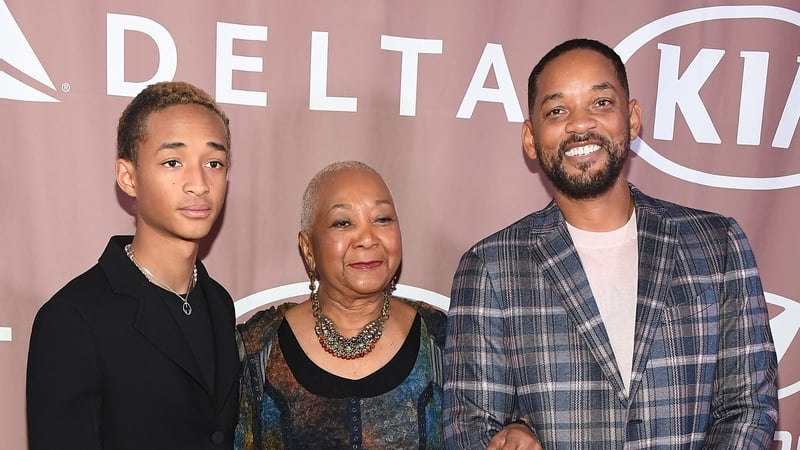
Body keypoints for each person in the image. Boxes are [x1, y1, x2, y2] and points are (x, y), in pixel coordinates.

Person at [443, 38, 778, 449]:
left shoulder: (717, 245)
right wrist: (511, 431)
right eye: (557, 110)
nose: (581, 124)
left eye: (600, 103)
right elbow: (470, 427)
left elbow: (748, 408)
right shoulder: (490, 266)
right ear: (530, 138)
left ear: (632, 118)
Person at [26, 81, 241, 450]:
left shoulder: (218, 302)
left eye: (214, 163)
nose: (199, 184)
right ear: (128, 177)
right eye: (173, 162)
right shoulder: (73, 319)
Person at [235, 160, 446, 449]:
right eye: (343, 223)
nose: (368, 239)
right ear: (308, 248)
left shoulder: (444, 341)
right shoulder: (256, 350)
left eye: (382, 219)